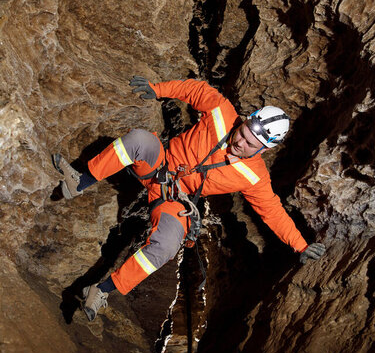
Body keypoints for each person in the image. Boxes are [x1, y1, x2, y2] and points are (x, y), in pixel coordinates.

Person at [53, 77, 325, 321]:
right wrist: (158, 90)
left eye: (250, 144)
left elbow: (272, 211)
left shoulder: (253, 176)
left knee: (166, 246)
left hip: (175, 200)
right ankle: (80, 181)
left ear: (263, 150)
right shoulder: (222, 114)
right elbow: (195, 90)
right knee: (139, 140)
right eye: (242, 132)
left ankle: (101, 290)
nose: (240, 142)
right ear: (244, 121)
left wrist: (300, 245)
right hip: (158, 166)